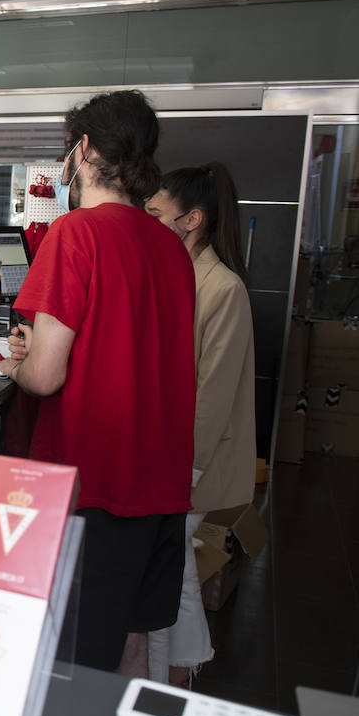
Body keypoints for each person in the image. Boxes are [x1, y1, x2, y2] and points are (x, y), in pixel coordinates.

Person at [0, 90, 197, 674]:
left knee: (77, 659)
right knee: (132, 642)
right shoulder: (170, 245)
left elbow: (44, 376)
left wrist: (14, 365)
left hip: (95, 483)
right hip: (159, 480)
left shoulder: (75, 234)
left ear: (83, 149)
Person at [144, 162, 255, 685]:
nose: (150, 221)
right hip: (171, 453)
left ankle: (179, 678)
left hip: (195, 459)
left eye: (156, 213)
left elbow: (212, 395)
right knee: (176, 573)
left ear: (192, 220)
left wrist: (188, 469)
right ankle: (176, 674)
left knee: (178, 577)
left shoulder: (223, 288)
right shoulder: (176, 273)